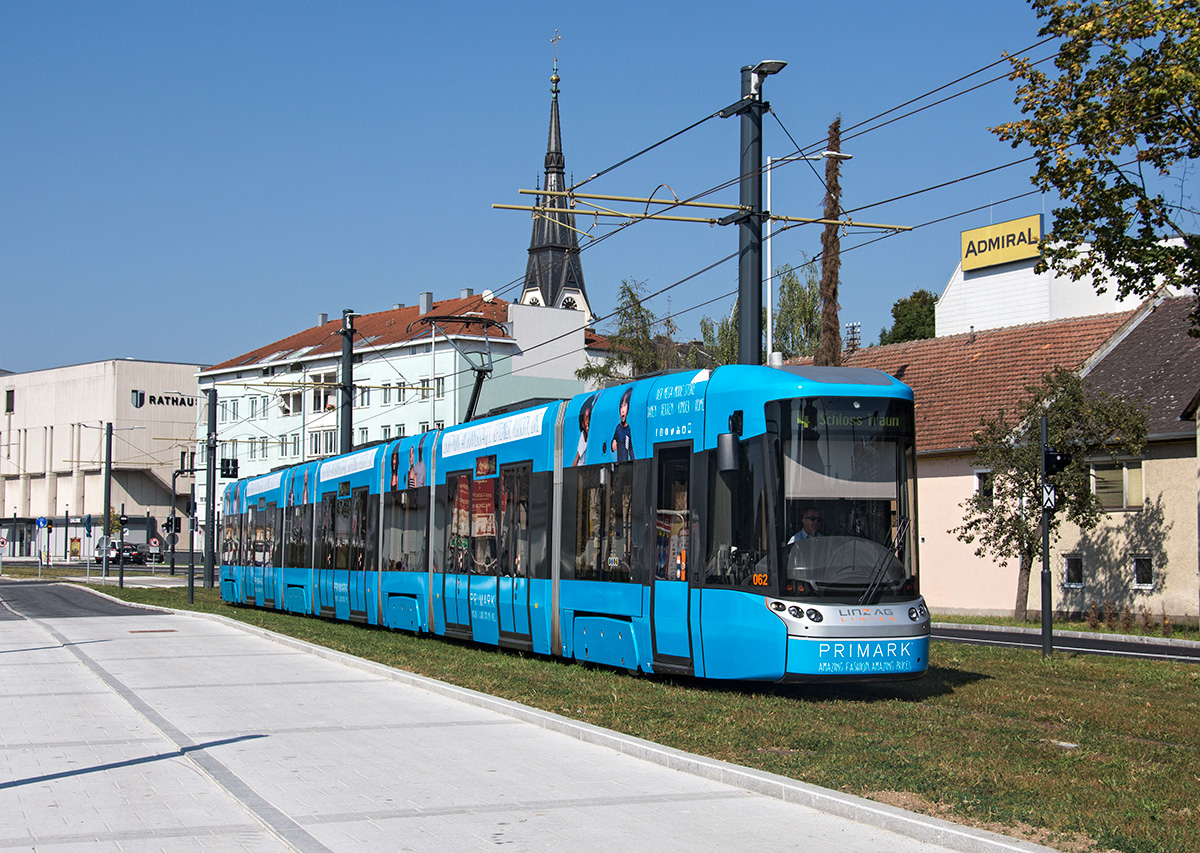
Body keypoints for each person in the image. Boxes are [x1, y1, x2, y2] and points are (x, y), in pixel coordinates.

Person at [610, 387, 633, 463]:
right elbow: (614, 440)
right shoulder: (618, 428)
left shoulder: (628, 428)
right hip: (619, 462)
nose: (622, 410)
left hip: (626, 462)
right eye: (621, 406)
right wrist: (613, 442)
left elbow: (630, 447)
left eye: (625, 405)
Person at [574, 394, 597, 466]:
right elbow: (577, 458)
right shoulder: (582, 438)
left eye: (589, 418)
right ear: (582, 423)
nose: (588, 422)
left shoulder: (591, 435)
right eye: (586, 418)